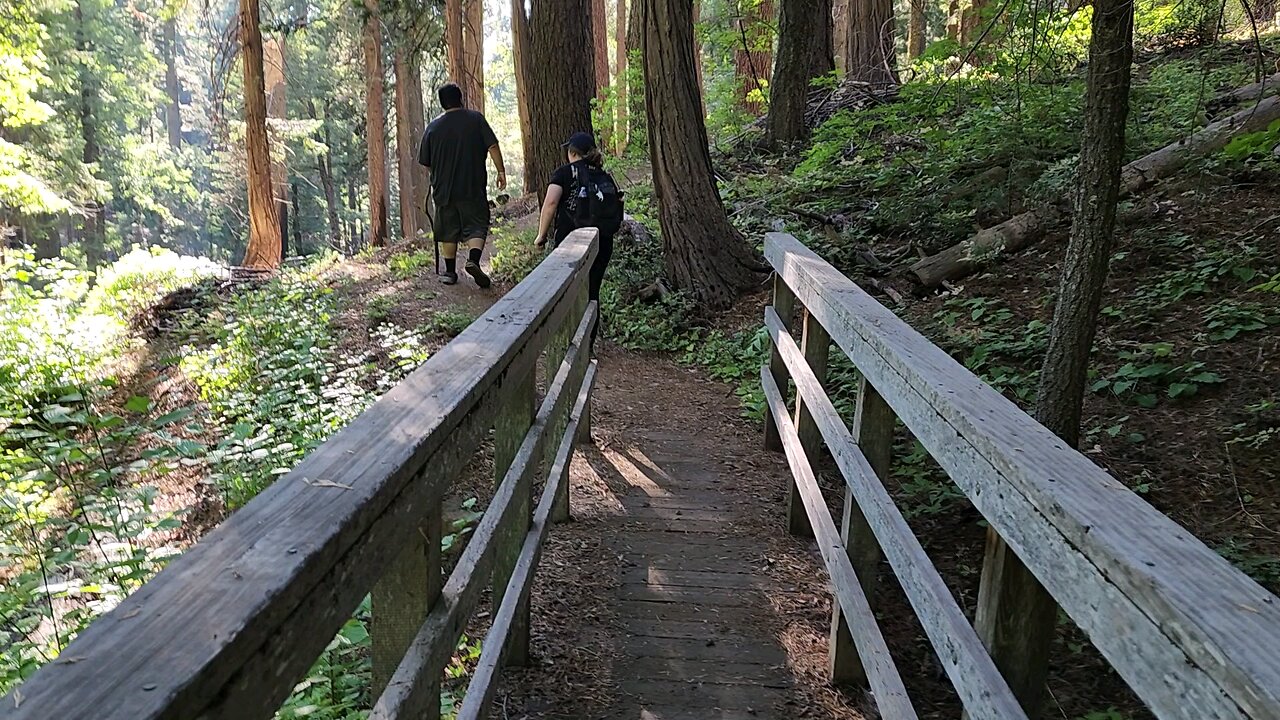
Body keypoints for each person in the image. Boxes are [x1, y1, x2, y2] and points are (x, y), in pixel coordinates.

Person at [532, 131, 622, 347]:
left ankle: (568, 341)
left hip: (569, 243)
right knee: (592, 290)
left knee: (567, 291)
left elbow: (551, 203)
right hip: (602, 240)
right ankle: (588, 342)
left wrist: (541, 236)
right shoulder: (603, 175)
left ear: (572, 153)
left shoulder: (564, 173)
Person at [419, 83, 506, 287]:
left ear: (442, 103)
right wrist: (500, 171)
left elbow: (426, 163)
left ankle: (449, 273)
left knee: (448, 229)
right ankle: (473, 260)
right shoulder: (475, 120)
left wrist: (438, 178)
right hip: (472, 185)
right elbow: (492, 145)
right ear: (460, 98)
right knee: (477, 224)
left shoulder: (432, 128)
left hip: (444, 190)